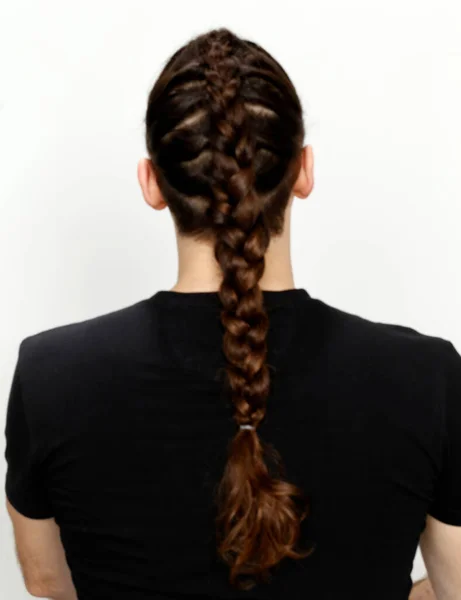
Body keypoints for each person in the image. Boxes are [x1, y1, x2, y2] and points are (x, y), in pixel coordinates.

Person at [4, 26, 461, 600]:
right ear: (304, 172)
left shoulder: (50, 376)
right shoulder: (425, 377)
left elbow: (49, 582)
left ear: (151, 183)